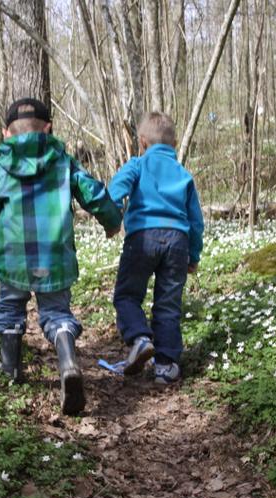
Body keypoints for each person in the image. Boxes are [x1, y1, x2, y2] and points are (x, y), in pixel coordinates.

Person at [0, 98, 122, 415]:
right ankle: (68, 362)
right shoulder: (63, 162)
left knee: (10, 310)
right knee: (56, 313)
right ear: (48, 128)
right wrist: (112, 221)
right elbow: (92, 192)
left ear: (5, 133)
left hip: (12, 260)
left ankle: (11, 369)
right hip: (54, 257)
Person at [109, 112, 204, 385]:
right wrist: (193, 255)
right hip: (177, 242)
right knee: (168, 304)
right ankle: (166, 366)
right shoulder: (183, 174)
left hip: (141, 238)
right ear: (173, 144)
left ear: (142, 142)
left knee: (127, 295)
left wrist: (113, 216)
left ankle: (139, 338)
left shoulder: (137, 165)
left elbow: (116, 190)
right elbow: (196, 222)